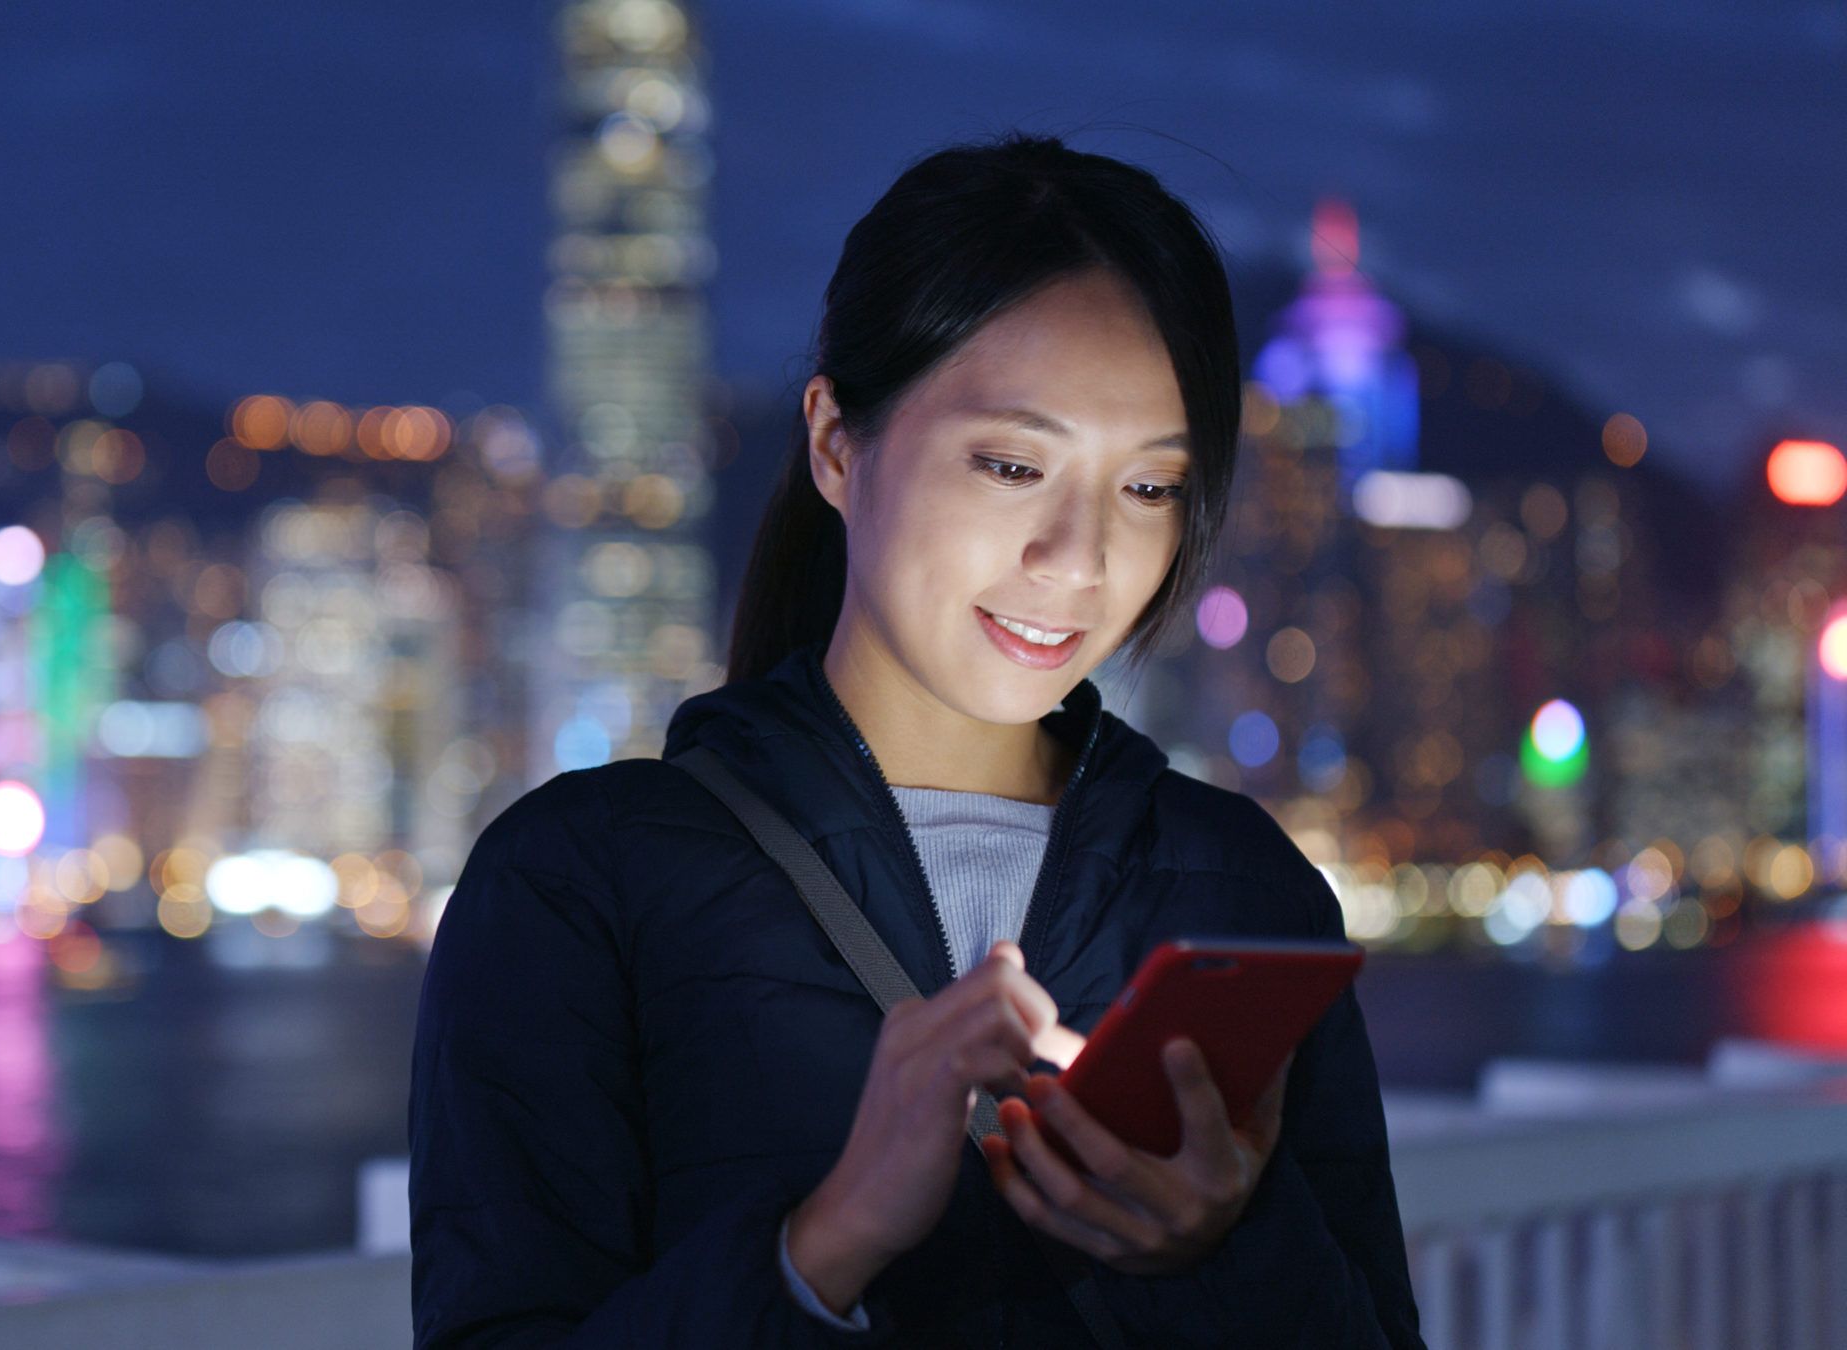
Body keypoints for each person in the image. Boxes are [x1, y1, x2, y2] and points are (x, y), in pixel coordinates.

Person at [407, 130, 1426, 1348]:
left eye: (1149, 489)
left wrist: (1233, 1245)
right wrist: (827, 1242)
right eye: (1009, 464)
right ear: (838, 443)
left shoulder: (1242, 886)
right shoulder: (582, 880)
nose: (1080, 560)